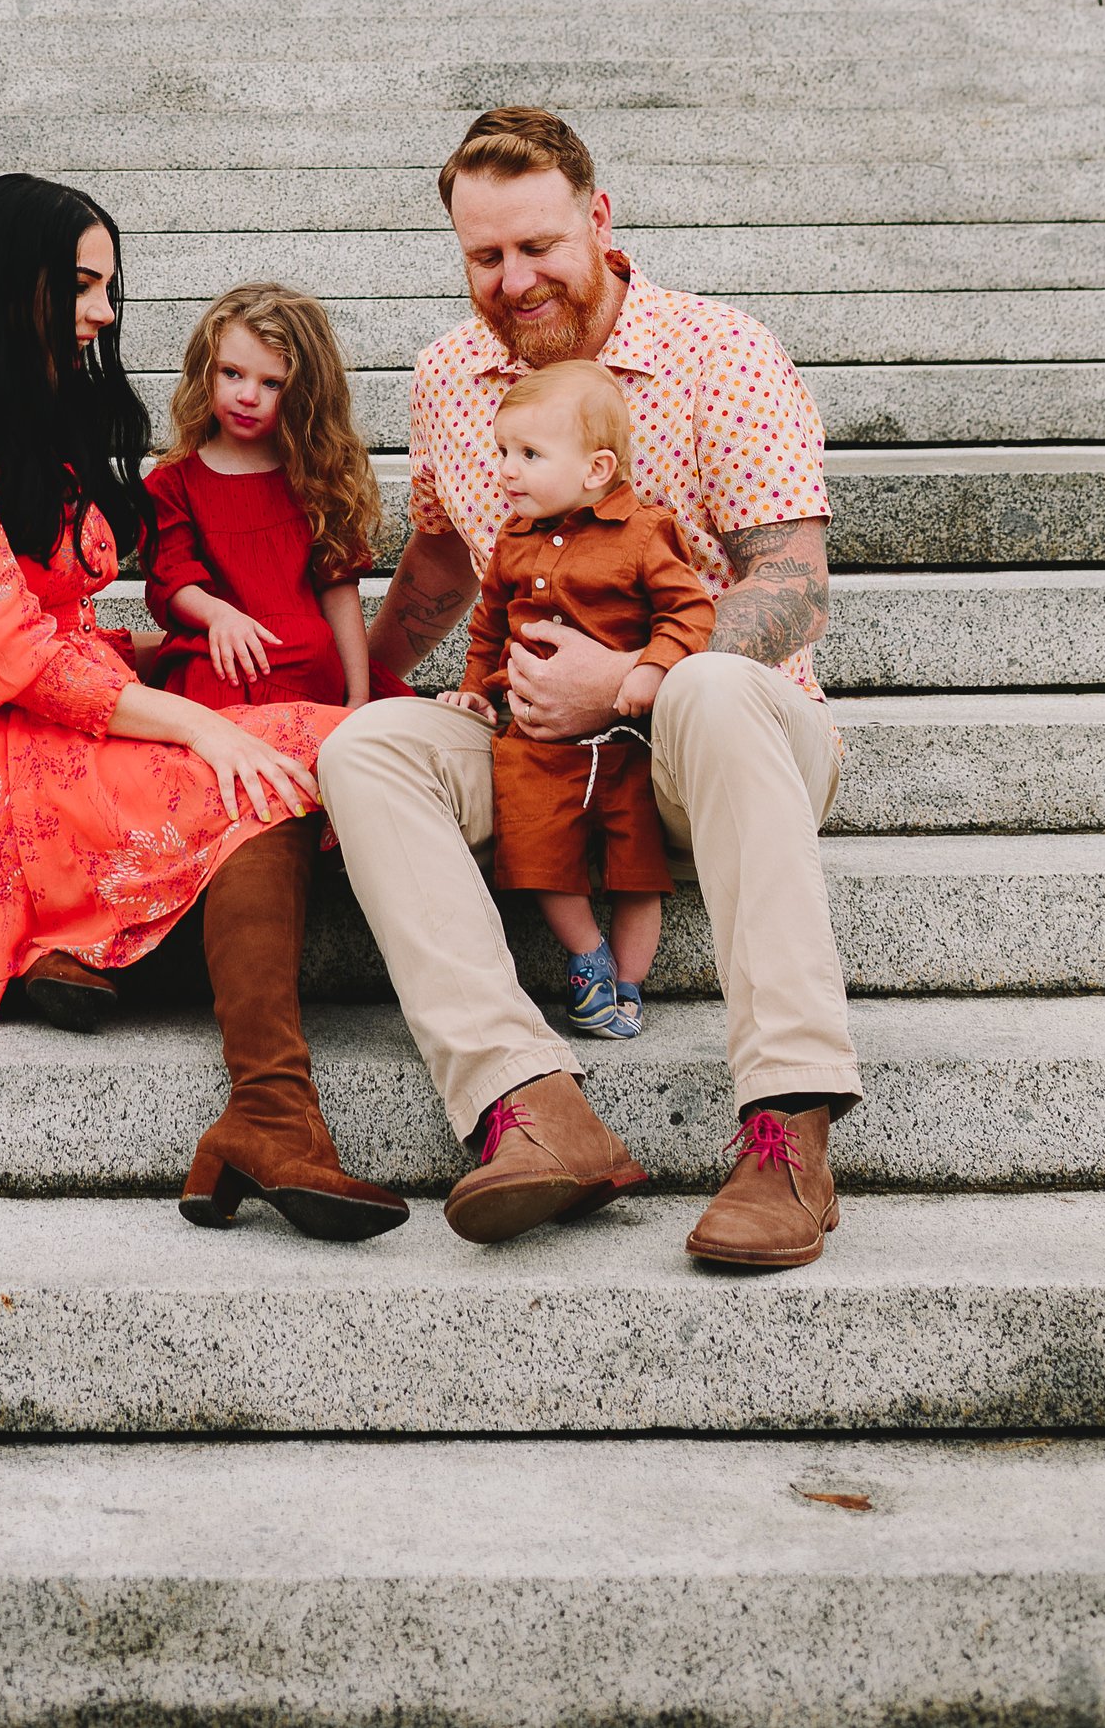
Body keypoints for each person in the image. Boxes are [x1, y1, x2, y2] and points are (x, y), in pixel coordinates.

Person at [0, 173, 406, 1242]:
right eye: (81, 285)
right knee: (252, 754)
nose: (106, 313)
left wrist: (171, 665)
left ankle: (250, 1099)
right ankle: (263, 1104)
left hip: (33, 699)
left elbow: (50, 621)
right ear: (7, 277)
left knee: (284, 743)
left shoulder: (15, 396)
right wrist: (193, 716)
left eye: (107, 287)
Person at [317, 104, 861, 1270]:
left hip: (726, 744)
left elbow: (797, 581)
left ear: (598, 220)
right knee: (365, 750)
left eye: (537, 247)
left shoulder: (719, 351)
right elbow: (444, 561)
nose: (513, 281)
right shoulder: (448, 378)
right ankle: (533, 1109)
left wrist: (634, 678)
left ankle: (787, 1129)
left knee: (708, 688)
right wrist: (349, 678)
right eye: (484, 256)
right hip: (543, 757)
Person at [437, 357, 716, 1044]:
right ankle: (587, 960)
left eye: (529, 453)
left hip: (624, 743)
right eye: (504, 450)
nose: (506, 468)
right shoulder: (513, 540)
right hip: (535, 746)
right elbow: (488, 623)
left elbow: (689, 611)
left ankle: (628, 986)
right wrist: (475, 688)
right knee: (538, 853)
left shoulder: (646, 533)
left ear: (596, 470)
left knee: (638, 873)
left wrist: (651, 668)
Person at [143, 283, 399, 714]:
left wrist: (357, 697)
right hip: (220, 664)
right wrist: (219, 616)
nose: (248, 396)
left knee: (316, 655)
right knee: (207, 672)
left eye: (272, 383)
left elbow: (339, 593)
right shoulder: (173, 484)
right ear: (205, 371)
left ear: (303, 393)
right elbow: (173, 579)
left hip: (307, 668)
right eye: (232, 373)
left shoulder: (315, 479)